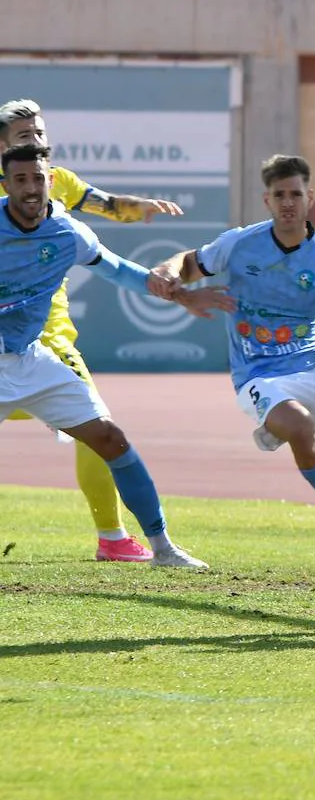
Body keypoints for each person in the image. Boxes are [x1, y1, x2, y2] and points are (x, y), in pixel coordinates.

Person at [151, 155, 315, 569]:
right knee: (299, 424)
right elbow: (187, 264)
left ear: (310, 198)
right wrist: (173, 276)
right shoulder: (240, 243)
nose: (288, 202)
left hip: (314, 364)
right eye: (280, 195)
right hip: (258, 372)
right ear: (267, 200)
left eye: (296, 194)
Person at [0, 143, 230, 567]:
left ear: (50, 181)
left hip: (30, 359)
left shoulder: (68, 233)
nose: (31, 188)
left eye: (37, 178)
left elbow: (119, 270)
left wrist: (181, 296)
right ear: (7, 184)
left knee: (110, 438)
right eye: (20, 180)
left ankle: (162, 548)